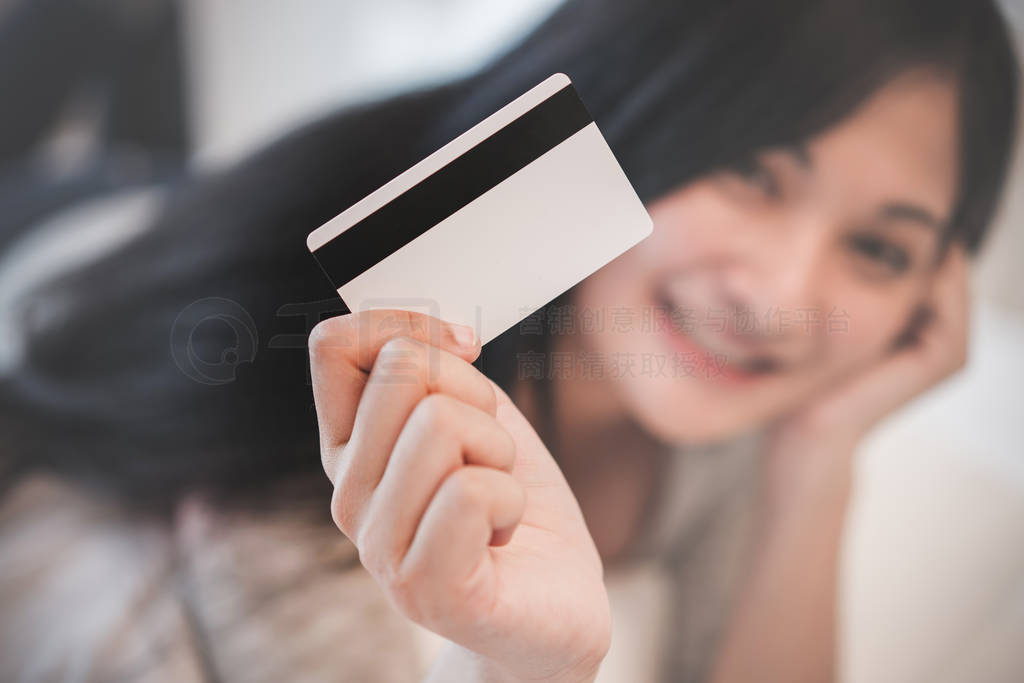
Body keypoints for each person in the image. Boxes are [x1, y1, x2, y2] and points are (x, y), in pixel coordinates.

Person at [0, 0, 1018, 681]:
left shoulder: (724, 411)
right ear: (623, 115)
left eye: (881, 248)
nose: (787, 298)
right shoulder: (322, 411)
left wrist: (818, 462)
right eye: (754, 173)